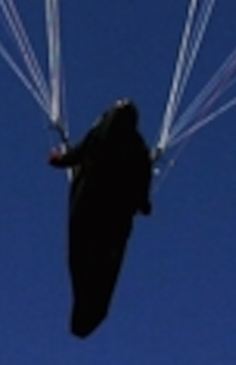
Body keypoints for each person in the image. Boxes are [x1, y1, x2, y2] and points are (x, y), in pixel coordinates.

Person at [48, 99, 155, 338]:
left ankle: (87, 310)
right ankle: (92, 310)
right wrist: (144, 204)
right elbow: (143, 191)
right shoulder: (138, 150)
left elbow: (78, 153)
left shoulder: (102, 133)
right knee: (104, 266)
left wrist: (58, 160)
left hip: (88, 208)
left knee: (82, 260)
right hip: (113, 220)